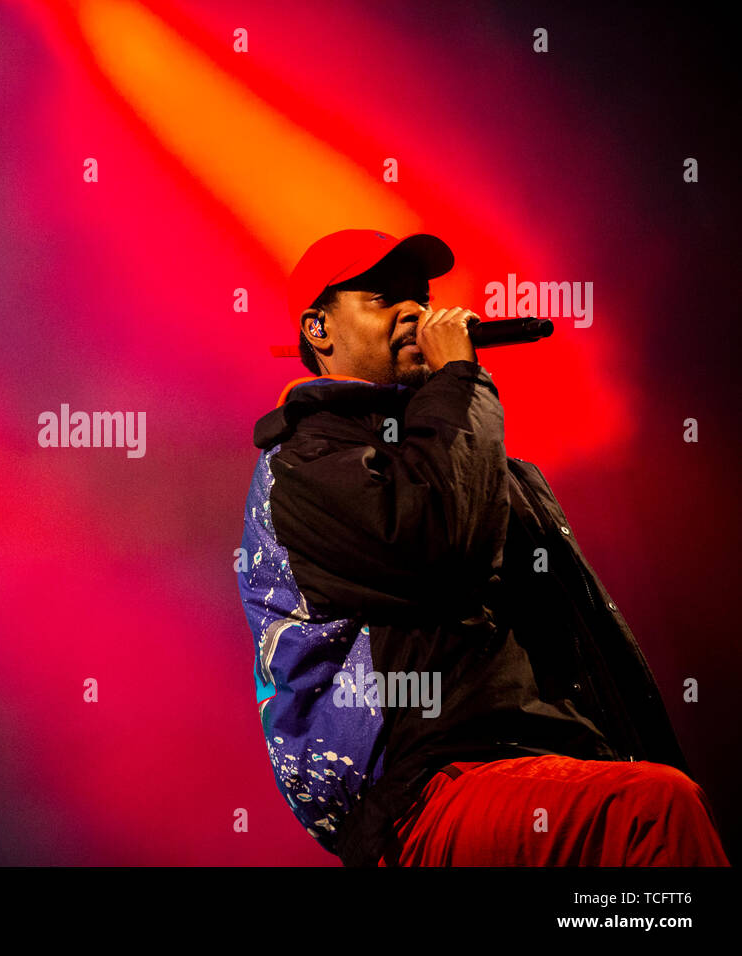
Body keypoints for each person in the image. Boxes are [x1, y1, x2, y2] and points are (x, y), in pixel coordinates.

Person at [237, 228, 730, 866]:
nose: (416, 311)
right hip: (423, 790)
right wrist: (462, 378)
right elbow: (443, 544)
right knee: (653, 811)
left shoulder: (458, 458)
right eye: (385, 298)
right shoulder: (306, 460)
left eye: (421, 296)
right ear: (319, 330)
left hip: (537, 768)